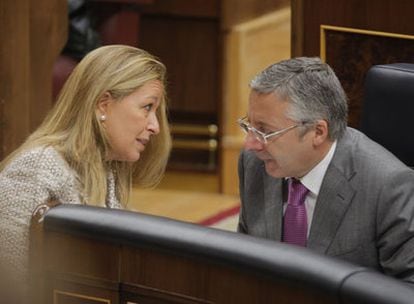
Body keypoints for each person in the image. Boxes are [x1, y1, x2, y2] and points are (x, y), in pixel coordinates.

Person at [0, 45, 171, 291]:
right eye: (147, 108)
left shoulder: (108, 168)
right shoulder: (36, 170)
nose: (155, 126)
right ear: (103, 104)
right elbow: (11, 287)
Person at [237, 56, 414, 283]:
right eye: (248, 126)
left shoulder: (389, 187)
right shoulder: (254, 162)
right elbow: (243, 262)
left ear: (318, 132)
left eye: (264, 131)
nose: (250, 144)